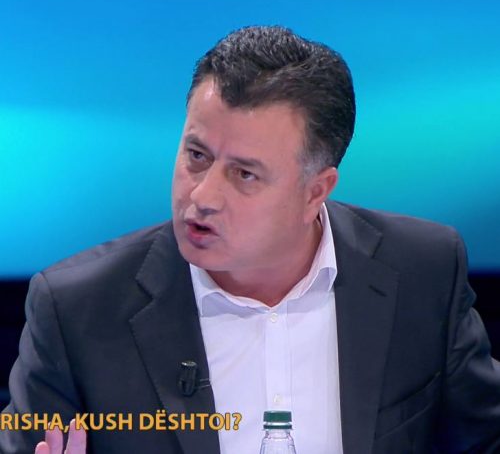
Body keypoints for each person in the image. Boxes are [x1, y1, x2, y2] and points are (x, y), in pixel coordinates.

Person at [1, 25, 500, 454]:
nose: (202, 196)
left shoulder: (423, 272)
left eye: (244, 174)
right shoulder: (77, 311)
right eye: (196, 155)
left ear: (315, 192)